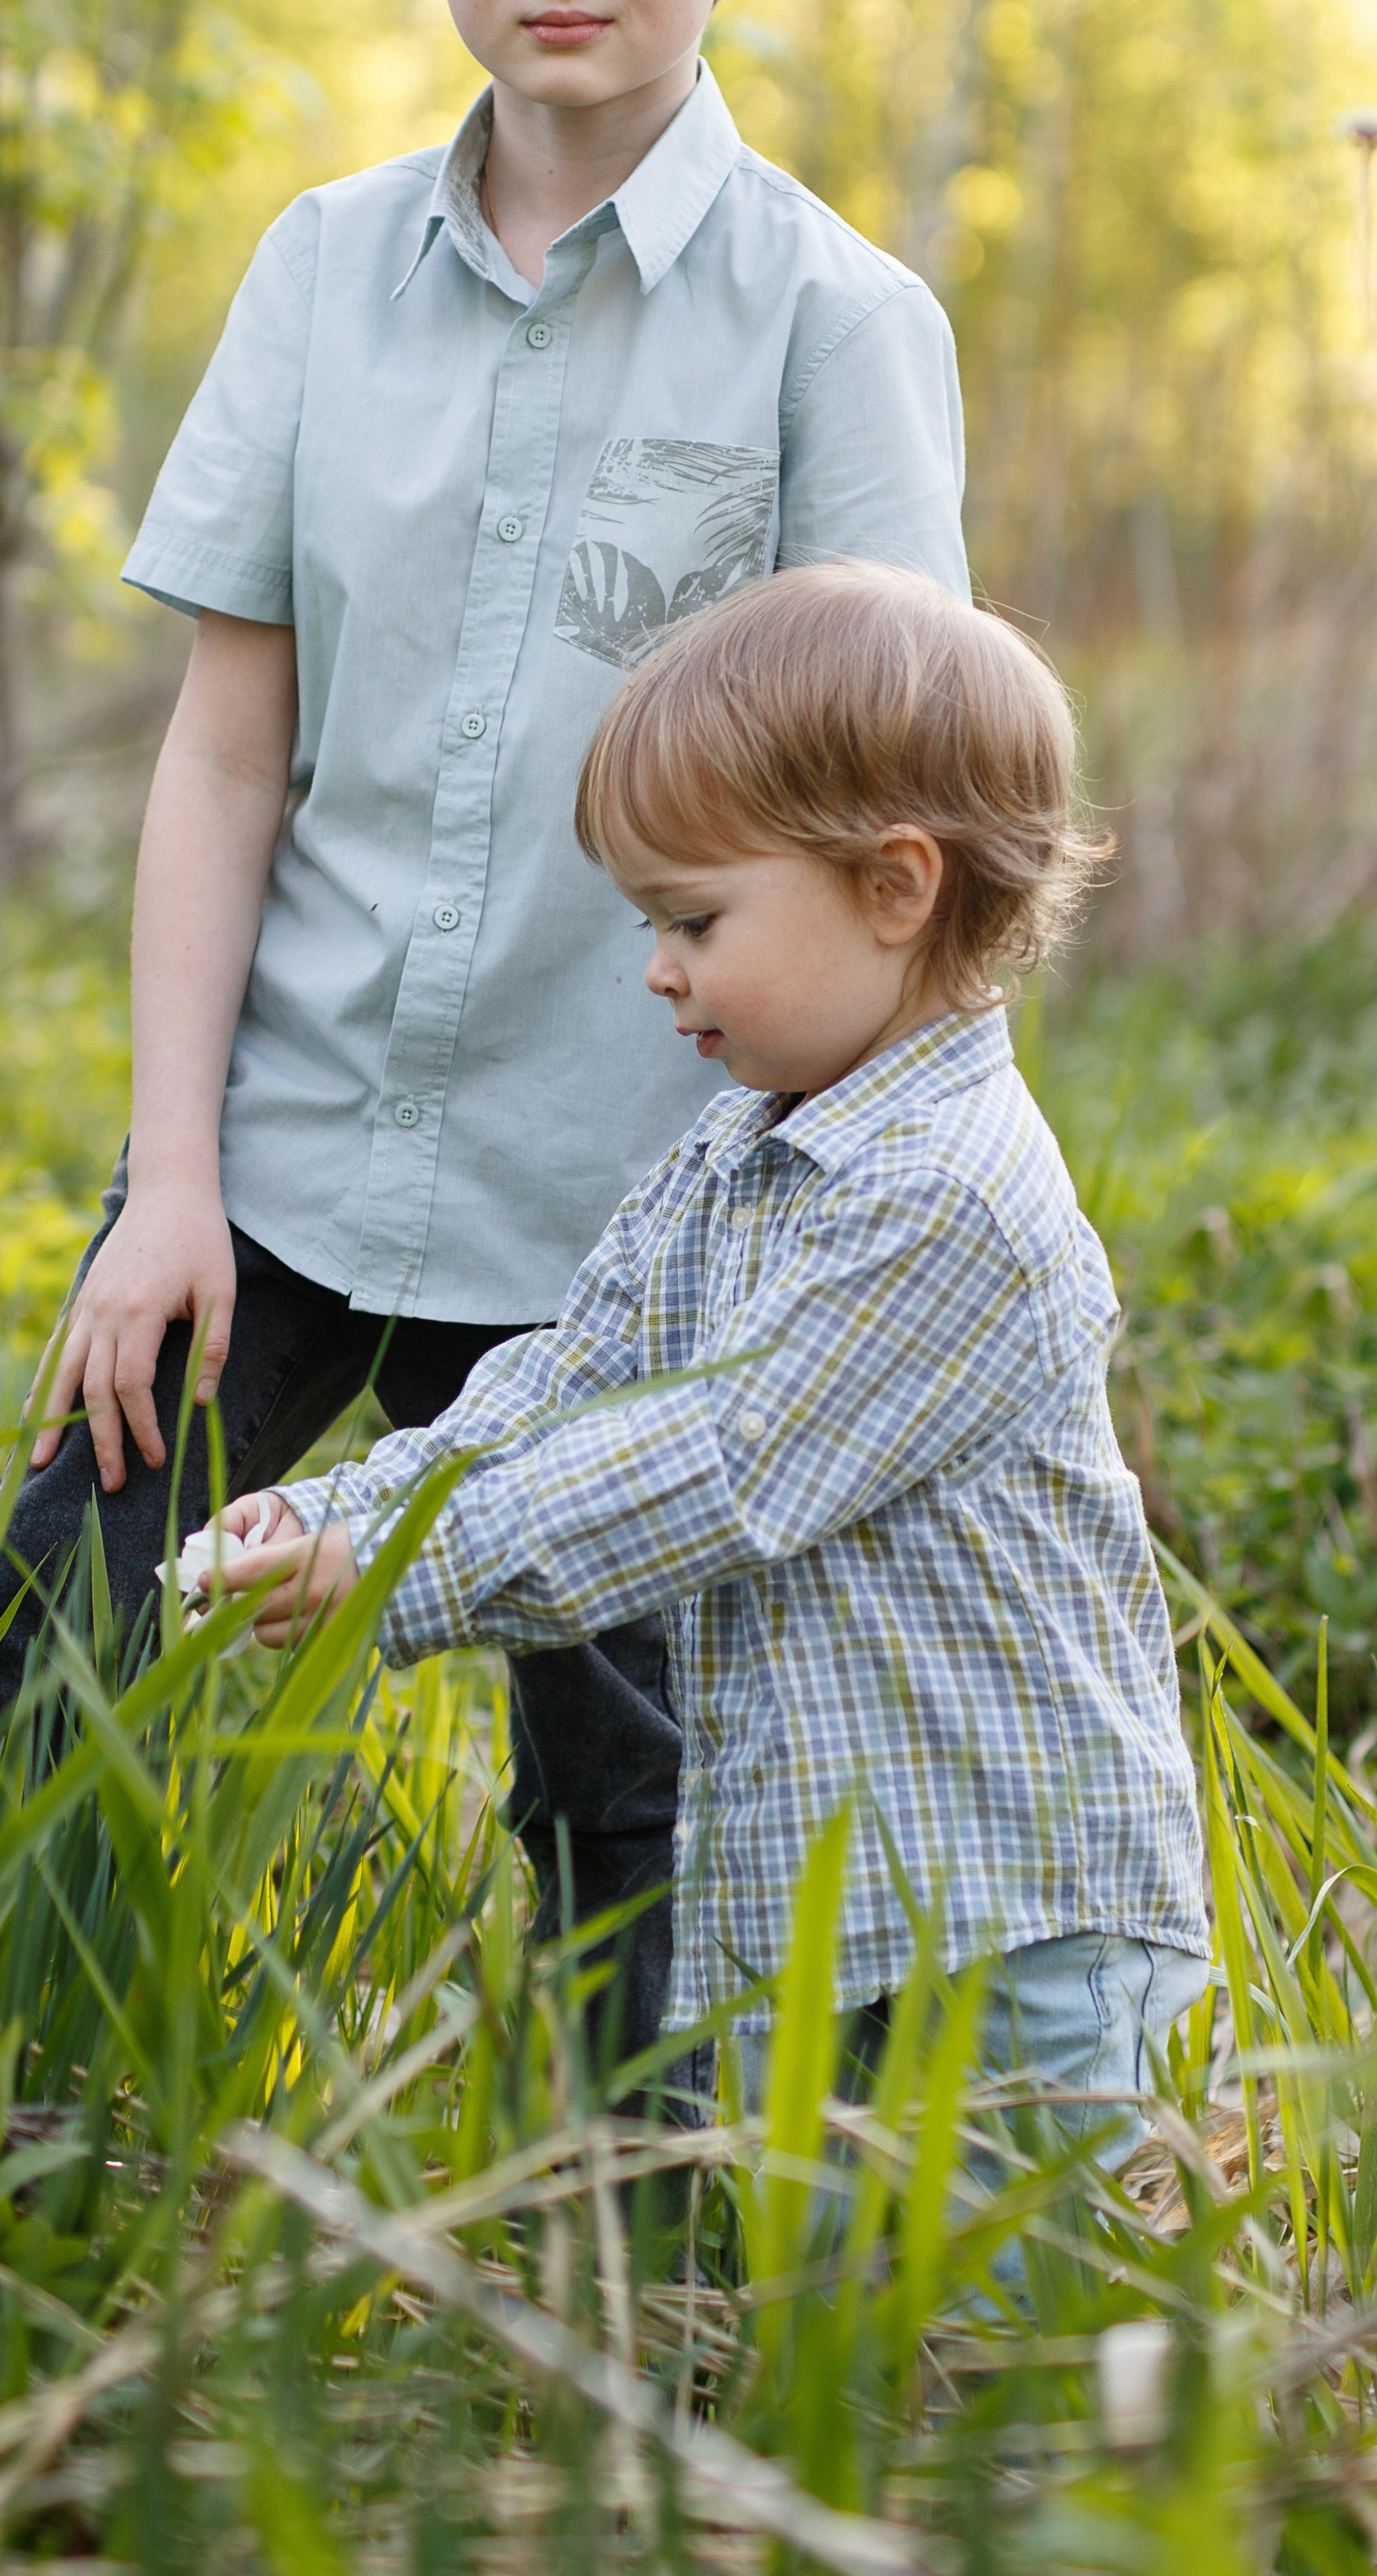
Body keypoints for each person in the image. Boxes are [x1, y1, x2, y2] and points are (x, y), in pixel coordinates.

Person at [0, 0, 969, 2077]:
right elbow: (223, 764)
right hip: (286, 1162)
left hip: (635, 1226)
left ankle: (632, 2289)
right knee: (49, 1656)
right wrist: (168, 1181)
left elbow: (895, 846)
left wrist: (842, 1260)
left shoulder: (831, 326)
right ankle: (18, 2159)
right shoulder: (320, 276)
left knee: (632, 1800)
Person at [199, 564, 1210, 2150]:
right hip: (815, 1895)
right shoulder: (738, 1150)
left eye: (694, 919)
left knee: (1015, 2343)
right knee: (830, 2331)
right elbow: (573, 1378)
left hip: (1008, 1916)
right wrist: (352, 1510)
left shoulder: (948, 1201)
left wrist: (395, 1572)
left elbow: (715, 1470)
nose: (657, 968)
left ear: (896, 886)